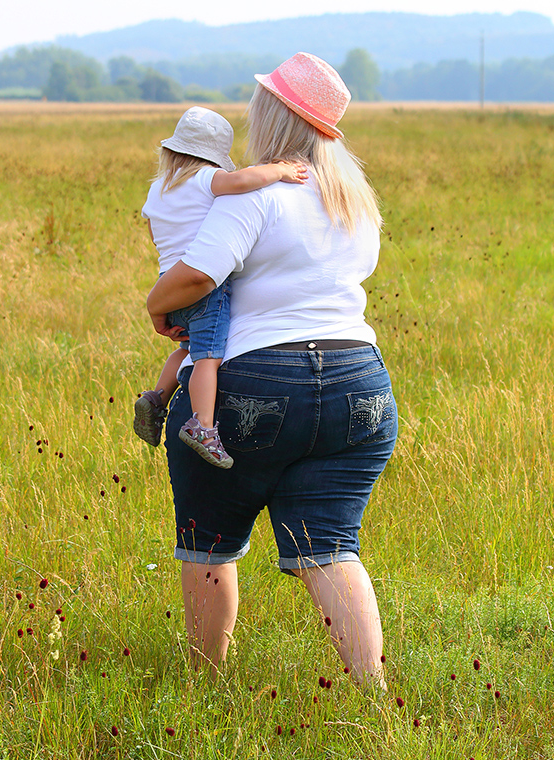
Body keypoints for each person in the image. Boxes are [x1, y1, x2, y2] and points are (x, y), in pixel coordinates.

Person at [145, 53, 397, 688]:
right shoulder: (355, 202)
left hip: (259, 383)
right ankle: (372, 697)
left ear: (272, 119)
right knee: (333, 545)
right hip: (359, 383)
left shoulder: (260, 192)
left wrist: (154, 305)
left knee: (209, 540)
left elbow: (199, 276)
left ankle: (206, 686)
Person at [134, 106, 307, 469]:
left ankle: (157, 397)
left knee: (186, 348)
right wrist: (280, 170)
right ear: (212, 158)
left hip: (170, 284)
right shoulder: (205, 180)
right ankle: (203, 426)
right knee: (207, 358)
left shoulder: (158, 189)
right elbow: (241, 182)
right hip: (204, 288)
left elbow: (153, 232)